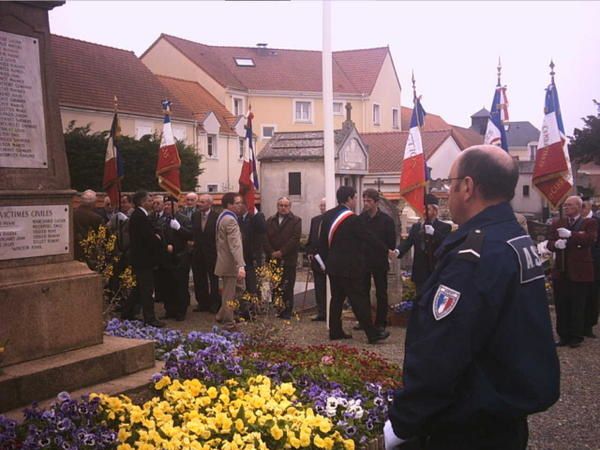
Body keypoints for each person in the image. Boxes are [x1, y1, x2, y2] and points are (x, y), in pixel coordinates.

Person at [384, 145, 559, 450]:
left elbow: (443, 351)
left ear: (467, 187)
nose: (447, 194)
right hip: (504, 419)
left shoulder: (477, 256)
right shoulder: (514, 238)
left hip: (467, 427)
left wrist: (402, 422)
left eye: (449, 184)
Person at [317, 186, 390, 344]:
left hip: (333, 266)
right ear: (349, 199)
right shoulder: (352, 218)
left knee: (336, 298)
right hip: (349, 267)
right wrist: (386, 250)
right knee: (359, 299)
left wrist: (326, 262)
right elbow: (367, 237)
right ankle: (372, 334)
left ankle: (335, 331)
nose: (356, 201)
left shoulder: (327, 216)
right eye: (355, 197)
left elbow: (322, 243)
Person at [547, 195, 597, 348]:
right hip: (562, 270)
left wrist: (571, 235)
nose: (566, 207)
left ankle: (576, 336)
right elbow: (549, 242)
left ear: (578, 207)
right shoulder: (558, 223)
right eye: (565, 205)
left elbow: (590, 239)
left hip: (580, 270)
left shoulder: (589, 223)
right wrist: (556, 244)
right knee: (562, 304)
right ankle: (563, 334)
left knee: (577, 304)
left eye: (569, 205)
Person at [121, 191, 164, 328]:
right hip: (143, 259)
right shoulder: (140, 216)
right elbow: (147, 237)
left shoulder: (139, 215)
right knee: (147, 289)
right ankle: (150, 318)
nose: (152, 203)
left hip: (141, 259)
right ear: (142, 202)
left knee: (139, 288)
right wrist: (157, 238)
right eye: (149, 200)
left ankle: (127, 312)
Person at [394, 194, 452, 295]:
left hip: (435, 270)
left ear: (435, 210)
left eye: (428, 209)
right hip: (420, 271)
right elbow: (408, 242)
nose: (424, 212)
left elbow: (446, 245)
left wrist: (434, 233)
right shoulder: (417, 227)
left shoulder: (444, 227)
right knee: (420, 299)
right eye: (423, 209)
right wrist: (397, 251)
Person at [359, 189, 397, 330]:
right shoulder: (361, 219)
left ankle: (381, 322)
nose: (366, 203)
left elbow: (391, 244)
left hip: (379, 261)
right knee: (363, 292)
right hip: (364, 261)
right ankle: (365, 321)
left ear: (376, 202)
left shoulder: (386, 221)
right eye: (364, 200)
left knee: (381, 292)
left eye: (369, 201)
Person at [264, 197, 302, 319]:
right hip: (273, 259)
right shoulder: (270, 220)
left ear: (290, 207)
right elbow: (264, 238)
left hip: (288, 259)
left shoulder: (296, 221)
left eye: (286, 205)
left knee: (287, 285)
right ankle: (277, 309)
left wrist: (282, 252)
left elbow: (295, 239)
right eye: (281, 205)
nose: (283, 208)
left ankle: (287, 311)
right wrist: (271, 252)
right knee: (275, 285)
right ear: (277, 206)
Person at [214, 193, 246, 329]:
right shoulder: (230, 220)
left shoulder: (223, 216)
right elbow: (235, 244)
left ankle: (222, 314)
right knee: (229, 293)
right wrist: (240, 266)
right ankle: (228, 322)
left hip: (226, 261)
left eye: (240, 203)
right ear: (229, 205)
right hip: (230, 263)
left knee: (239, 289)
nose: (240, 206)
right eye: (237, 203)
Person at [159, 201, 193, 322]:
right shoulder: (162, 219)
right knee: (168, 285)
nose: (167, 206)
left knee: (180, 285)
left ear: (177, 205)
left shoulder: (184, 219)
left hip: (180, 256)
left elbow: (190, 235)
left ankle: (181, 311)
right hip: (167, 257)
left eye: (170, 204)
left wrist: (179, 228)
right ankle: (169, 310)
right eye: (166, 204)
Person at [191, 194, 220, 313]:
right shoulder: (195, 215)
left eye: (202, 202)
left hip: (212, 253)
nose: (199, 204)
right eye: (199, 201)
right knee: (199, 278)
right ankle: (203, 303)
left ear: (209, 204)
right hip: (198, 253)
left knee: (213, 279)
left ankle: (215, 304)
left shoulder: (217, 217)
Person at [238, 200, 267, 296]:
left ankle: (259, 305)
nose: (237, 207)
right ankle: (247, 306)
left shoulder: (256, 217)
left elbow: (262, 229)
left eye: (239, 204)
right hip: (243, 255)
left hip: (254, 256)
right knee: (246, 285)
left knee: (256, 283)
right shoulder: (239, 219)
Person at [306, 198, 327, 321]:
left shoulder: (332, 220)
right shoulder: (315, 220)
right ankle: (321, 312)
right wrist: (309, 251)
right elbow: (311, 239)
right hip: (316, 259)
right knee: (319, 287)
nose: (322, 208)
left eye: (325, 205)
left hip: (328, 259)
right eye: (321, 205)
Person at [582, 197, 600, 338]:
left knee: (593, 294)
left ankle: (589, 325)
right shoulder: (575, 221)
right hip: (578, 263)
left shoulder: (596, 221)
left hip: (595, 262)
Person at [73, 189, 103, 261]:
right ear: (93, 203)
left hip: (75, 251)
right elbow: (101, 237)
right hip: (91, 254)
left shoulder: (72, 214)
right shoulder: (96, 218)